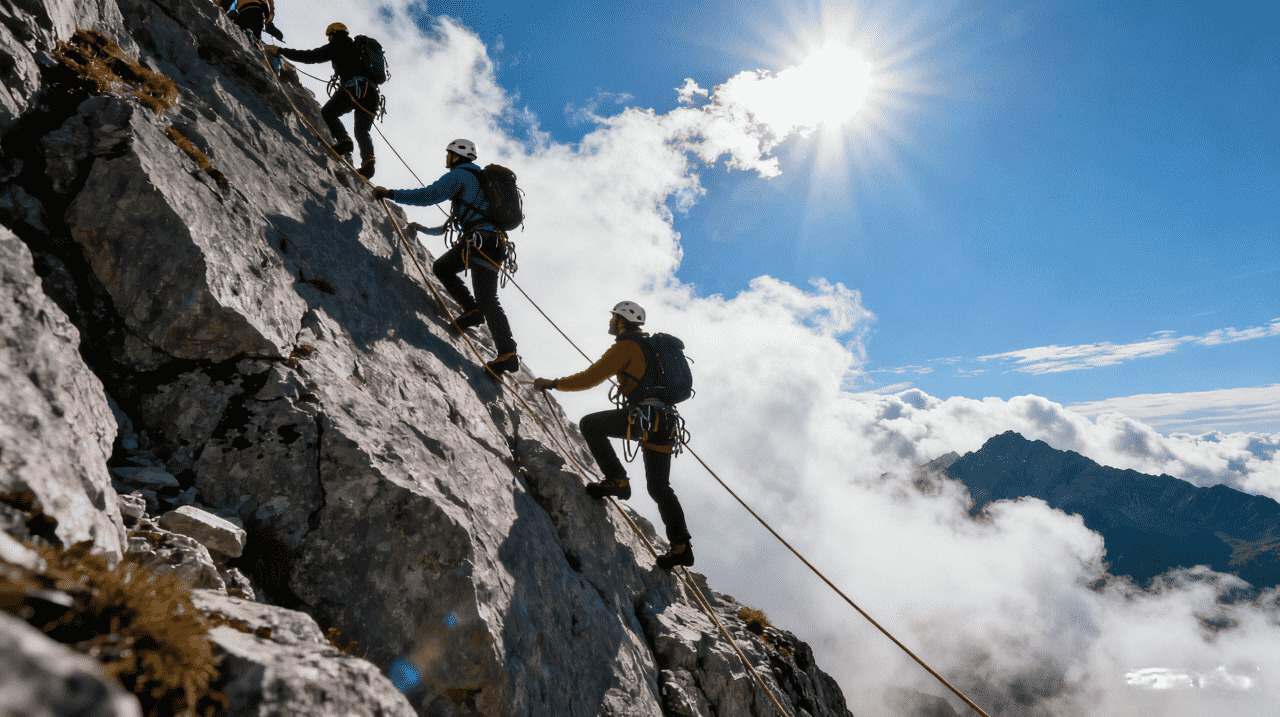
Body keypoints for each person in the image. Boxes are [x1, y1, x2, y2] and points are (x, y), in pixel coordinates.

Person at [533, 301, 695, 570]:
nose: (610, 323)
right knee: (659, 487)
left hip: (643, 418)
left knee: (591, 424)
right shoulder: (654, 348)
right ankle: (681, 546)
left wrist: (554, 384)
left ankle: (617, 480)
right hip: (665, 422)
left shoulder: (626, 347)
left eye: (613, 319)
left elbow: (590, 377)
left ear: (622, 322)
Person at [372, 140, 520, 376]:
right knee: (443, 268)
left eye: (449, 155)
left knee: (486, 297)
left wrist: (391, 194)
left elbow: (430, 195)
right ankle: (472, 312)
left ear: (457, 156)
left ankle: (507, 352)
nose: (447, 159)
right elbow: (455, 220)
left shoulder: (460, 175)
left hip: (480, 240)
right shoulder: (480, 179)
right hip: (492, 241)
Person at [267, 23, 380, 178]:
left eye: (329, 36)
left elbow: (310, 56)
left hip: (354, 88)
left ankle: (344, 141)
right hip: (372, 94)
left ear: (333, 33)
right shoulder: (358, 47)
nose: (329, 39)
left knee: (328, 112)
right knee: (362, 130)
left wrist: (280, 50)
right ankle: (368, 166)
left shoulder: (337, 44)